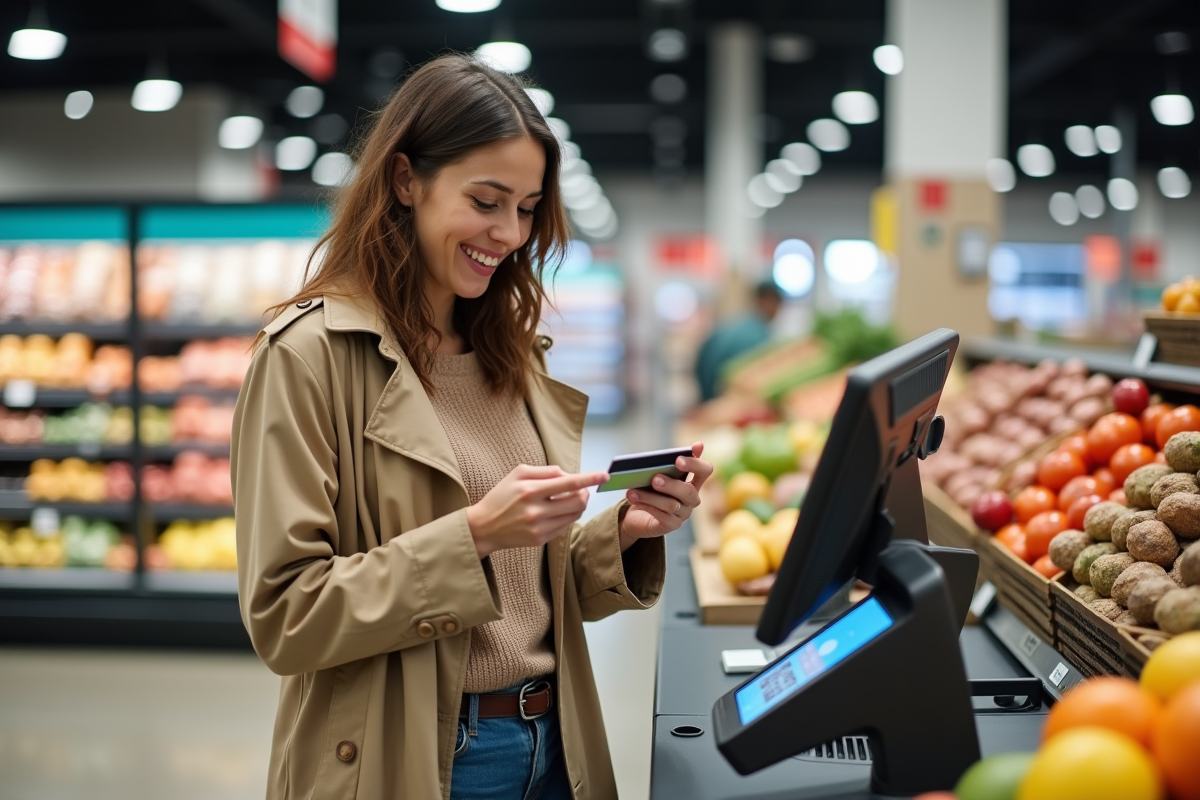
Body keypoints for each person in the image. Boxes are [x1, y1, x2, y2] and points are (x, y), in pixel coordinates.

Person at [230, 54, 713, 800]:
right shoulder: (308, 356)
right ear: (405, 181)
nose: (510, 233)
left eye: (527, 208)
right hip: (419, 757)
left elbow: (525, 597)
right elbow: (287, 616)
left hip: (554, 746)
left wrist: (622, 535)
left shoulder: (507, 352)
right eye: (486, 201)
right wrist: (475, 534)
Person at [694, 280, 783, 402]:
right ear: (769, 301)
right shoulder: (757, 338)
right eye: (779, 304)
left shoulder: (734, 324)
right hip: (722, 400)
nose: (779, 311)